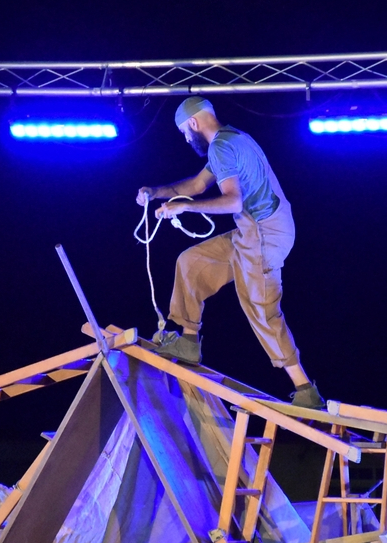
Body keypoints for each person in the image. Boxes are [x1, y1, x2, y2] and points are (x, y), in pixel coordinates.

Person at [137, 96, 323, 408]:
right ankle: (188, 341)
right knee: (192, 261)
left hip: (265, 232)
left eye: (184, 132)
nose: (186, 138)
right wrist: (157, 193)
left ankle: (306, 391)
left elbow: (232, 201)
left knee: (260, 306)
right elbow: (197, 185)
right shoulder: (232, 138)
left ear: (194, 124)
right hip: (251, 230)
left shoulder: (221, 147)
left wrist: (184, 208)